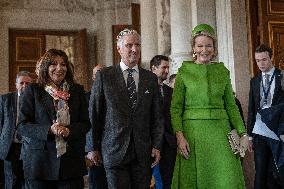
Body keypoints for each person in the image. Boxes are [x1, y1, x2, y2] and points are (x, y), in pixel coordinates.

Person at [170, 23, 249, 189]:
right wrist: (180, 136)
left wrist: (242, 132)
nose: (204, 50)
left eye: (208, 45)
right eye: (200, 45)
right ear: (193, 48)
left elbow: (231, 106)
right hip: (192, 134)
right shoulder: (184, 72)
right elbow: (176, 109)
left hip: (221, 133)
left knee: (226, 179)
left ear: (214, 48)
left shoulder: (223, 71)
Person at [89, 28, 164, 189]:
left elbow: (157, 116)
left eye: (137, 45)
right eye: (129, 45)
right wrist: (92, 147)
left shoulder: (150, 78)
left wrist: (157, 145)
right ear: (119, 49)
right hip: (113, 150)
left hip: (143, 152)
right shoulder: (105, 76)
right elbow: (94, 114)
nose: (134, 49)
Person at [17, 49, 90, 189]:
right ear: (46, 67)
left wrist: (69, 131)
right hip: (39, 165)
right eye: (53, 64)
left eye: (63, 64)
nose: (59, 68)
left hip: (71, 164)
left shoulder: (77, 90)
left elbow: (85, 124)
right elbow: (22, 125)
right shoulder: (33, 90)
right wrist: (49, 130)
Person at [247, 44, 284, 189]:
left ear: (271, 58)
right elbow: (252, 109)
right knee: (261, 171)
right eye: (257, 61)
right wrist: (249, 136)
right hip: (259, 132)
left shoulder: (282, 76)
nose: (261, 64)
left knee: (279, 171)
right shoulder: (254, 81)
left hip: (278, 132)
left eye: (264, 60)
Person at [0, 71, 32, 189]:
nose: (24, 86)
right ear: (16, 84)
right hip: (10, 146)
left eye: (27, 83)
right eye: (22, 83)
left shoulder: (36, 101)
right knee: (12, 181)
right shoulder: (5, 99)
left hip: (29, 147)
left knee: (28, 181)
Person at [150, 55, 177, 189]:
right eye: (163, 67)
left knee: (168, 181)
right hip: (150, 144)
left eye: (168, 67)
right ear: (154, 68)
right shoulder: (144, 90)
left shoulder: (171, 92)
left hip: (169, 144)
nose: (167, 70)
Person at [85, 64, 108, 189]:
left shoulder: (116, 96)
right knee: (97, 183)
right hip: (95, 149)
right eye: (97, 73)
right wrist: (90, 148)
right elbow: (87, 124)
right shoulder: (86, 97)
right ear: (93, 77)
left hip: (114, 148)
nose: (101, 76)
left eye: (103, 72)